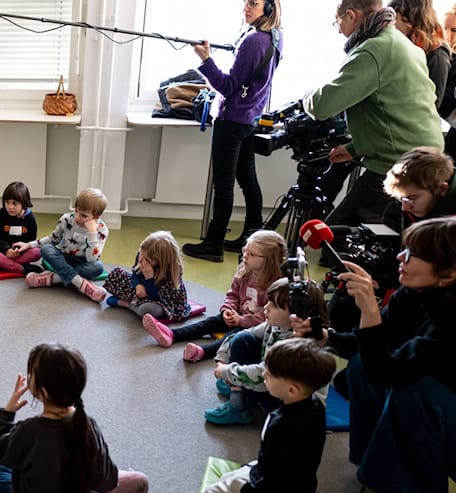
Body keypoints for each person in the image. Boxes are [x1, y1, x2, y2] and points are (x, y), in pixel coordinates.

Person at [292, 216, 456, 493]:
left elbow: (391, 372)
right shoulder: (413, 295)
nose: (400, 258)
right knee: (361, 365)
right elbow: (372, 345)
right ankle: (384, 470)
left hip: (446, 413)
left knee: (416, 388)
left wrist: (369, 309)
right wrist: (323, 334)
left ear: (448, 274)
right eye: (404, 250)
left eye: (412, 254)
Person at [303, 0, 443, 234]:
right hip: (422, 156)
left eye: (337, 22)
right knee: (342, 231)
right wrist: (355, 147)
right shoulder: (400, 42)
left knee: (340, 237)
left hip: (400, 163)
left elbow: (322, 106)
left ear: (351, 15)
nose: (338, 29)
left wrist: (305, 97)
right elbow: (395, 111)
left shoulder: (373, 50)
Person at [0, 343, 149, 493]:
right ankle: (121, 481)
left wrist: (7, 414)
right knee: (89, 469)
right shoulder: (87, 425)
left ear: (43, 392)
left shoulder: (29, 431)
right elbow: (104, 478)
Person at [203, 338, 337, 493]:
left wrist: (246, 489)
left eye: (270, 373)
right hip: (304, 489)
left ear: (292, 390)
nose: (264, 375)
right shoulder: (316, 405)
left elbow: (268, 476)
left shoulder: (279, 424)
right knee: (237, 475)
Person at [182, 0, 283, 262]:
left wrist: (206, 60)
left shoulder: (253, 41)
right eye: (246, 3)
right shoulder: (275, 37)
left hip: (232, 121)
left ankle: (213, 244)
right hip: (250, 119)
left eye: (254, 3)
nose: (246, 8)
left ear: (270, 8)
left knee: (223, 185)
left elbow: (227, 87)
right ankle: (252, 237)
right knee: (248, 178)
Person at [143, 230, 286, 362]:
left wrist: (241, 320)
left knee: (232, 338)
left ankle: (202, 352)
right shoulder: (245, 271)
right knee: (209, 323)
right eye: (245, 250)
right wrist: (227, 310)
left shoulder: (276, 285)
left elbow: (268, 317)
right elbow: (233, 295)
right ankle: (172, 334)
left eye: (252, 254)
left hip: (254, 326)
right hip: (236, 316)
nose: (245, 256)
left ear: (268, 260)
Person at [205, 278, 327, 425]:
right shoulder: (276, 325)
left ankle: (240, 403)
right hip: (271, 386)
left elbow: (264, 375)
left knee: (277, 421)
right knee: (242, 338)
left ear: (296, 315)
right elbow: (238, 335)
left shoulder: (297, 345)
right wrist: (222, 359)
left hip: (290, 405)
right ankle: (240, 394)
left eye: (274, 305)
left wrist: (226, 372)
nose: (266, 307)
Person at [13, 188, 109, 302]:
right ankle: (82, 284)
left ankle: (53, 278)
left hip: (84, 262)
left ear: (96, 217)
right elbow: (52, 239)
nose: (77, 216)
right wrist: (29, 245)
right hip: (63, 257)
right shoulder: (66, 219)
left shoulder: (102, 230)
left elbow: (92, 259)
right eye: (76, 210)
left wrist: (92, 233)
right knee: (46, 249)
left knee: (97, 267)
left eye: (83, 215)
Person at [103, 231, 192, 321]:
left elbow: (156, 298)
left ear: (160, 260)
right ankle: (135, 302)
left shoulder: (170, 272)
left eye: (147, 259)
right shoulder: (143, 254)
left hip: (160, 300)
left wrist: (149, 278)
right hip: (142, 291)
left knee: (151, 309)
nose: (141, 259)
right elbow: (135, 273)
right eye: (141, 255)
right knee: (115, 274)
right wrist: (138, 285)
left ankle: (126, 304)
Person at [389, 0, 451, 110]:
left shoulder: (438, 54)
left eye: (395, 19)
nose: (392, 25)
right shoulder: (401, 43)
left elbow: (433, 105)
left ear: (409, 19)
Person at [382, 146, 456, 224]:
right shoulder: (411, 204)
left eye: (412, 198)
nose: (404, 208)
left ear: (442, 188)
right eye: (401, 199)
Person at [0, 182, 41, 274]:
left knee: (37, 252)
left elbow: (31, 241)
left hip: (20, 254)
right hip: (1, 252)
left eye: (14, 203)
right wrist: (6, 250)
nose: (10, 207)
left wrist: (18, 251)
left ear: (23, 203)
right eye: (7, 202)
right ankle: (22, 269)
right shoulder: (1, 215)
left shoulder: (30, 219)